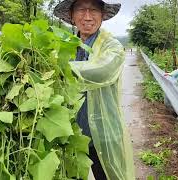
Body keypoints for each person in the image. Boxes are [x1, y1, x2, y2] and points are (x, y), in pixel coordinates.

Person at [54, 1, 135, 180]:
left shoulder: (111, 46)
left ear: (102, 15)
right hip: (71, 134)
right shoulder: (63, 47)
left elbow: (102, 70)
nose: (88, 16)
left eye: (94, 10)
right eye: (81, 10)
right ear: (72, 16)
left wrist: (58, 67)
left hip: (103, 132)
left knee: (108, 176)